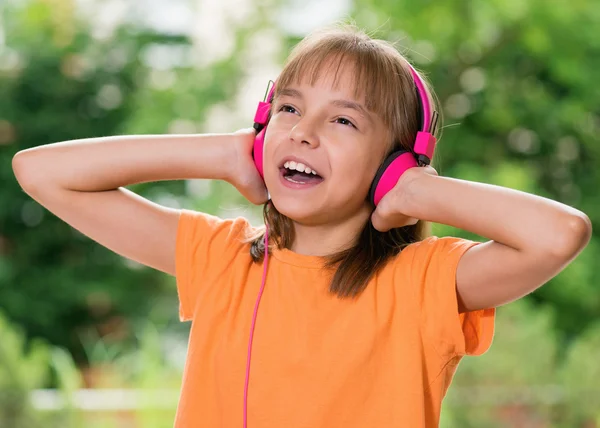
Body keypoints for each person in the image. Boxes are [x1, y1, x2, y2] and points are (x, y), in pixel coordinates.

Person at [12, 24, 591, 428]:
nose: (303, 132)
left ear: (394, 161)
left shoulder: (425, 282)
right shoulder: (220, 258)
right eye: (288, 109)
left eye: (342, 119)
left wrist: (417, 190)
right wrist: (220, 154)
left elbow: (558, 234)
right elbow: (40, 172)